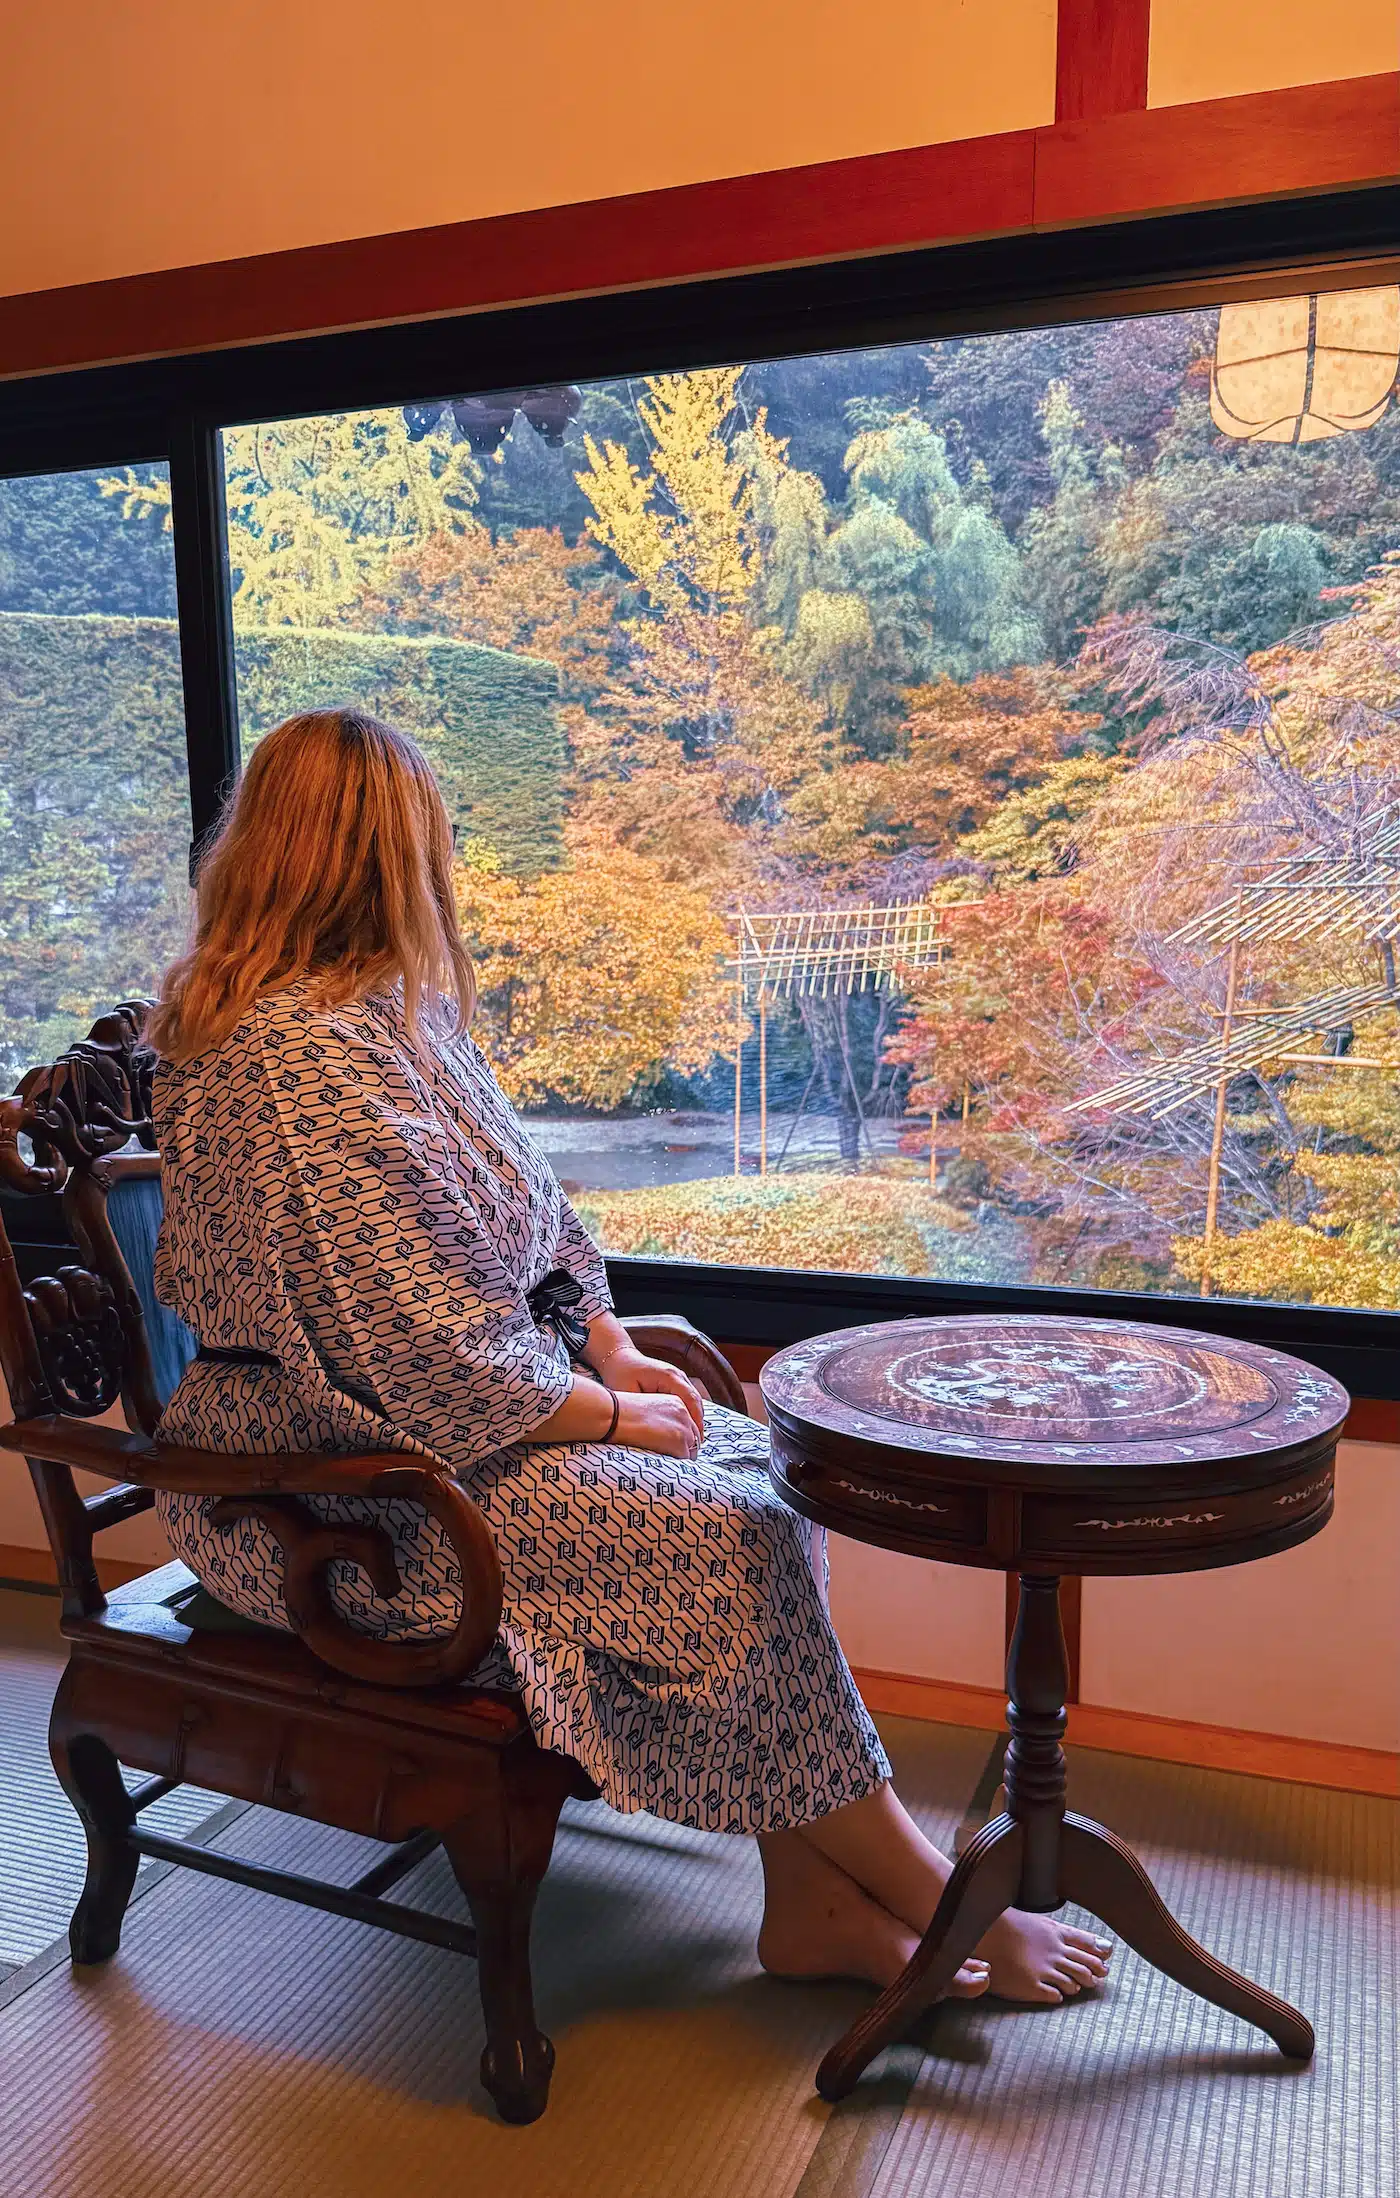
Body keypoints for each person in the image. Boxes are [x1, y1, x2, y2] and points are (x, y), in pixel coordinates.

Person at [148, 707, 1111, 2007]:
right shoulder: (284, 1055)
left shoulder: (395, 1018)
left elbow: (538, 1213)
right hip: (339, 1485)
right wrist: (599, 1413)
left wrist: (604, 1342)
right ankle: (932, 1892)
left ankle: (816, 1899)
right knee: (731, 1537)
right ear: (381, 853)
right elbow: (421, 1359)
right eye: (430, 839)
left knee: (767, 1482)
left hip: (462, 1429)